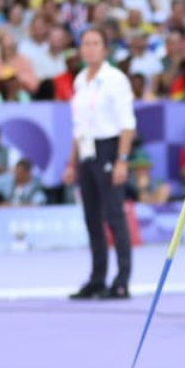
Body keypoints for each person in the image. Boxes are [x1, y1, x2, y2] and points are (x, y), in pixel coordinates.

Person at [66, 26, 136, 300]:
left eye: (95, 43)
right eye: (85, 43)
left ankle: (121, 280)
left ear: (104, 49)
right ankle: (97, 277)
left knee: (114, 216)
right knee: (91, 217)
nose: (90, 48)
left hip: (109, 148)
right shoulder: (80, 80)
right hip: (86, 149)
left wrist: (121, 159)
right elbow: (78, 126)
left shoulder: (115, 79)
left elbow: (127, 124)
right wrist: (71, 163)